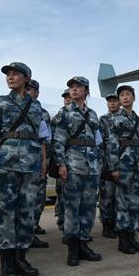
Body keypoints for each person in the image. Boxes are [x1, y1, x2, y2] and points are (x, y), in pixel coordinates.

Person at [0, 62, 49, 276]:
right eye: (8, 75)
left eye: (15, 74)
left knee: (26, 211)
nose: (10, 77)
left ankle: (22, 256)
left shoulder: (37, 107)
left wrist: (43, 161)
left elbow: (41, 138)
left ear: (27, 78)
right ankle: (7, 260)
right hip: (7, 162)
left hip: (30, 163)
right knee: (6, 211)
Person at [52, 76, 103, 266]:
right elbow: (58, 141)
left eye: (78, 87)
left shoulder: (93, 115)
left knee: (89, 207)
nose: (74, 90)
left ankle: (84, 243)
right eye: (71, 87)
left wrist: (99, 163)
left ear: (87, 91)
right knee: (72, 208)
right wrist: (61, 164)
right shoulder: (64, 113)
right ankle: (72, 248)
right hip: (73, 165)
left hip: (92, 167)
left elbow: (98, 142)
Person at [106, 85, 139, 254]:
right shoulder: (115, 118)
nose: (125, 97)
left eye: (128, 94)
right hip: (122, 166)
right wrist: (113, 167)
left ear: (133, 98)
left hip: (137, 167)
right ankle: (123, 239)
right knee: (122, 203)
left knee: (136, 203)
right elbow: (111, 144)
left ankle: (132, 236)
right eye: (122, 95)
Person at [25, 80, 51, 249]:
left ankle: (32, 230)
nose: (28, 92)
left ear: (37, 93)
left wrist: (45, 161)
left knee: (38, 198)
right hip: (15, 162)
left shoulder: (43, 113)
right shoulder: (9, 107)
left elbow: (46, 139)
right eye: (26, 89)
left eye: (31, 90)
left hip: (37, 160)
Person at [98, 92, 121, 239]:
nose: (112, 103)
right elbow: (99, 143)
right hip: (107, 163)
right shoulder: (103, 120)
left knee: (121, 197)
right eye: (109, 101)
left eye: (114, 101)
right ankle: (107, 225)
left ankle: (119, 224)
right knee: (107, 197)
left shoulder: (125, 118)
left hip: (124, 162)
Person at [52, 89, 73, 233]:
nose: (67, 99)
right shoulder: (59, 116)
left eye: (69, 96)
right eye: (65, 97)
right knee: (62, 192)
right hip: (62, 158)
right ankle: (61, 219)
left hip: (76, 160)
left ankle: (66, 221)